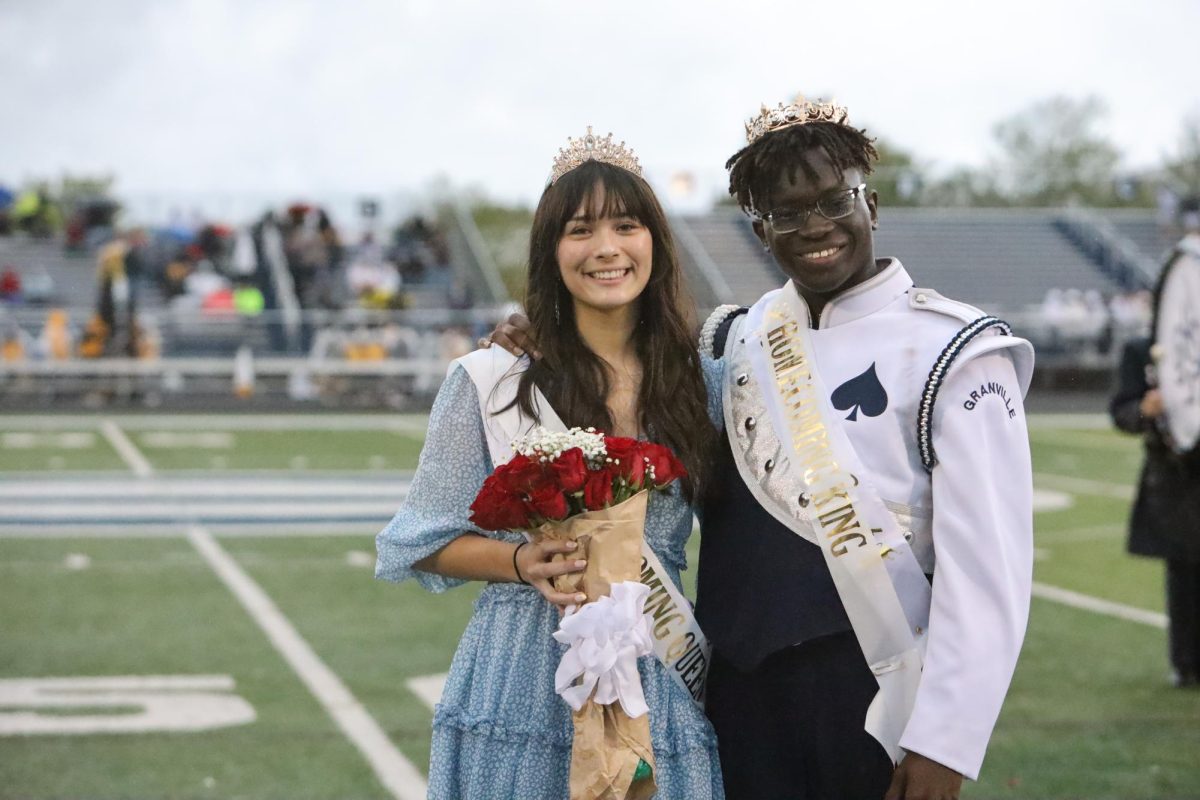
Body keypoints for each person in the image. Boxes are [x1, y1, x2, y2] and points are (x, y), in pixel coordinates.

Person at [490, 97, 1035, 800]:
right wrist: (541, 331)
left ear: (870, 204)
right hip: (737, 698)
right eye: (786, 213)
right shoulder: (734, 339)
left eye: (832, 201)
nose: (814, 227)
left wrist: (946, 739)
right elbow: (624, 345)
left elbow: (989, 569)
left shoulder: (955, 348)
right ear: (759, 230)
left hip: (872, 699)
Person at [375, 129, 724, 799]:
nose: (606, 249)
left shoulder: (700, 380)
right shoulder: (494, 379)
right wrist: (518, 562)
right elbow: (418, 539)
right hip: (524, 674)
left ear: (655, 241)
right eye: (579, 230)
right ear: (551, 251)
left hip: (659, 668)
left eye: (627, 225)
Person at [1110, 340, 1200, 688]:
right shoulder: (1141, 349)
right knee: (1183, 572)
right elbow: (1122, 412)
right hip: (1172, 477)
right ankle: (1186, 664)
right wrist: (1145, 409)